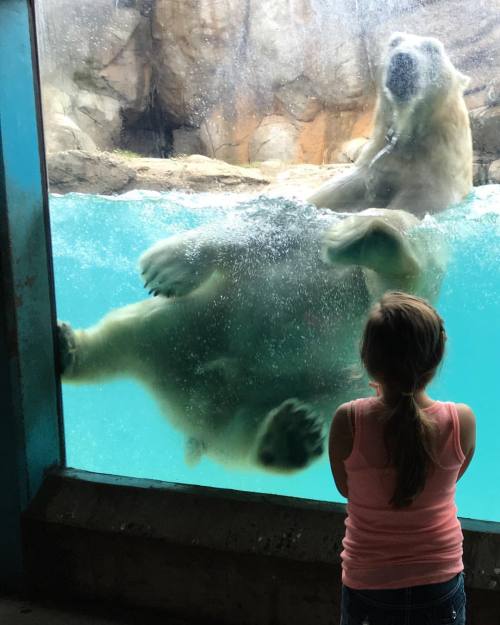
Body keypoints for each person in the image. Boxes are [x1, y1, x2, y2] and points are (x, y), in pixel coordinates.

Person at [329, 291, 476, 625]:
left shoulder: (348, 420)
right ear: (436, 357)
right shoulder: (461, 421)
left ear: (366, 357)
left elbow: (346, 488)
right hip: (438, 581)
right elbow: (452, 476)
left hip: (369, 583)